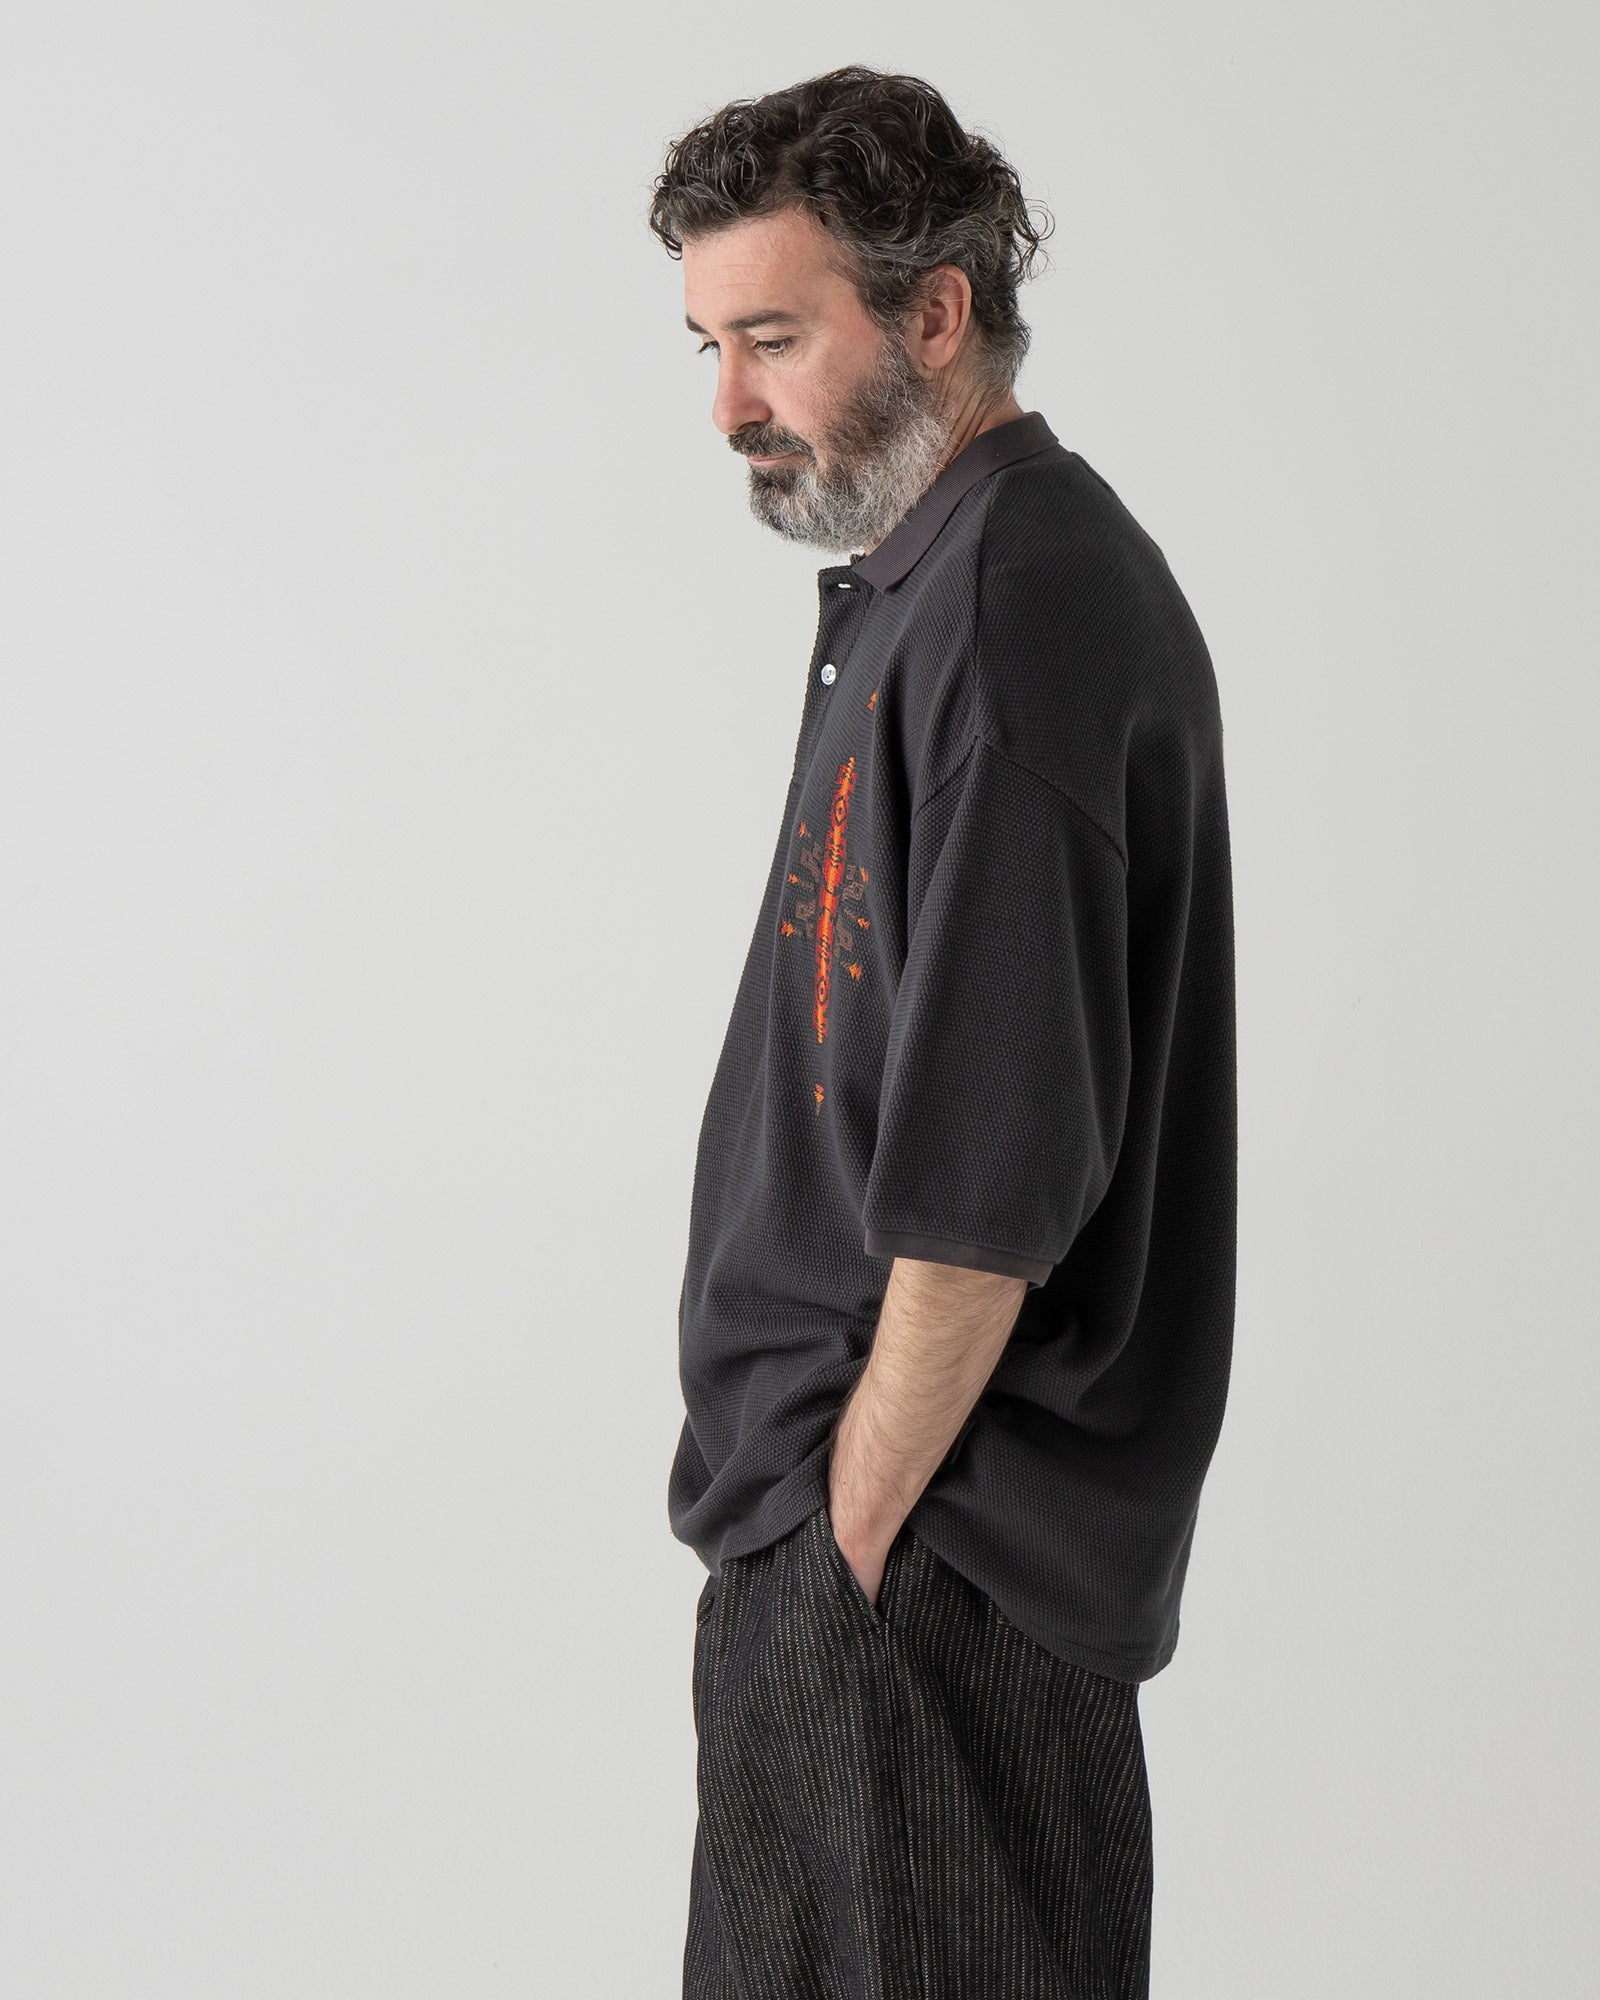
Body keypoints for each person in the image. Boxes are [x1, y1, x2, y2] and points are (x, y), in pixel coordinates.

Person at [649, 64, 1236, 2000]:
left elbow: (994, 1181)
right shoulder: (934, 585)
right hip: (863, 1571)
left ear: (932, 314)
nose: (729, 406)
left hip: (928, 1580)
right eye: (709, 346)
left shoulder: (1012, 603)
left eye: (772, 338)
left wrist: (851, 1531)